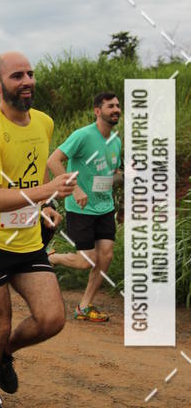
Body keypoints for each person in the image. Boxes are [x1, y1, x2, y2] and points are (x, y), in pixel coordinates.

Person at [0, 51, 75, 408]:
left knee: (52, 318)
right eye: (17, 76)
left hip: (27, 241)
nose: (27, 80)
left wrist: (44, 207)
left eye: (30, 73)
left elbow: (30, 175)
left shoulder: (44, 122)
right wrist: (47, 191)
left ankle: (3, 353)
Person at [47, 92, 122, 322]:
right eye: (110, 106)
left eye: (118, 105)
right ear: (97, 111)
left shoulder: (116, 141)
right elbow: (53, 161)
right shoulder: (83, 135)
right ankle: (50, 257)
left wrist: (126, 176)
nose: (116, 109)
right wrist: (76, 189)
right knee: (85, 261)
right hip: (81, 208)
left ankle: (84, 306)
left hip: (105, 207)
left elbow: (113, 173)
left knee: (106, 255)